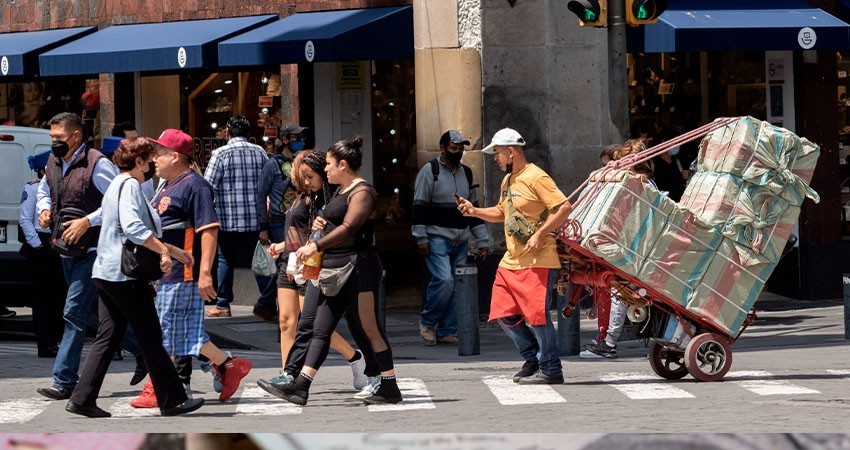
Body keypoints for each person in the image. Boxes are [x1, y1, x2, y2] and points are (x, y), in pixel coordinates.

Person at [66, 137, 204, 418]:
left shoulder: (119, 184)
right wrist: (165, 251)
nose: (154, 161)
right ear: (138, 161)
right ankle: (172, 399)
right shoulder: (129, 185)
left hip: (106, 272)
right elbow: (133, 228)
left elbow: (109, 217)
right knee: (151, 336)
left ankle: (82, 398)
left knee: (108, 336)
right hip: (123, 275)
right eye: (149, 157)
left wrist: (174, 251)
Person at [263, 136, 402, 405]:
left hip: (359, 267)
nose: (325, 170)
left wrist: (314, 246)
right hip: (333, 267)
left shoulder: (363, 192)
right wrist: (319, 227)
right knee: (319, 327)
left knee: (369, 326)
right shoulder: (339, 192)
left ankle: (389, 384)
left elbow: (349, 227)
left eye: (328, 164)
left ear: (343, 164)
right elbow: (332, 222)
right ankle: (301, 385)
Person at [126, 129, 253, 409]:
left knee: (167, 332)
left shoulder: (195, 185)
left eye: (157, 154)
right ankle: (229, 365)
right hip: (165, 273)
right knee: (187, 334)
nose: (153, 159)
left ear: (175, 156)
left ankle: (157, 388)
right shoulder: (166, 185)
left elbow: (209, 230)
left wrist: (205, 272)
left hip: (182, 273)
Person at [35, 112, 141, 400]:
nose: (54, 143)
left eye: (58, 138)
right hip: (66, 249)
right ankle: (142, 348)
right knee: (93, 313)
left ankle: (65, 379)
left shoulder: (98, 164)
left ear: (76, 136)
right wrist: (44, 210)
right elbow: (44, 191)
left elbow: (116, 201)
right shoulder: (53, 161)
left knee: (72, 312)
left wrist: (87, 222)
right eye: (52, 138)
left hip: (93, 250)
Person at [457, 127, 572, 385]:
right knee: (502, 313)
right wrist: (474, 211)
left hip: (537, 258)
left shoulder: (536, 177)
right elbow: (502, 212)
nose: (495, 158)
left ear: (511, 152)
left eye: (497, 153)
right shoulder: (507, 181)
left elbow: (564, 207)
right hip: (512, 259)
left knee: (537, 316)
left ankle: (551, 368)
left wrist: (540, 234)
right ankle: (533, 356)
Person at [257, 149, 369, 394]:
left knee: (313, 325)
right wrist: (282, 246)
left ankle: (353, 356)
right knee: (287, 322)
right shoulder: (300, 196)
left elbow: (319, 238)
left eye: (310, 176)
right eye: (302, 175)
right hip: (290, 262)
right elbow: (299, 235)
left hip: (312, 266)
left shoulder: (329, 201)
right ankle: (286, 375)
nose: (305, 181)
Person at [412, 130, 490, 346]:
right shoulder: (430, 171)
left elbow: (474, 210)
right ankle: (428, 321)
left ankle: (447, 329)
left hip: (461, 239)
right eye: (454, 148)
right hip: (436, 236)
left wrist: (482, 241)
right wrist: (420, 237)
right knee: (444, 280)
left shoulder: (467, 173)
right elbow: (419, 206)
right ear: (443, 149)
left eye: (461, 149)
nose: (458, 152)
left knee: (459, 286)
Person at [204, 116, 269, 317]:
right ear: (248, 134)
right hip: (255, 220)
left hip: (226, 220)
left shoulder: (220, 154)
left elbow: (208, 186)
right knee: (258, 261)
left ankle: (223, 305)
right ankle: (267, 301)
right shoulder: (260, 152)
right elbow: (268, 182)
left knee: (225, 260)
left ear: (227, 132)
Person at [579, 143, 631, 360]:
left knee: (617, 293)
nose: (605, 168)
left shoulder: (630, 184)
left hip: (622, 248)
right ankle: (604, 338)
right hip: (607, 245)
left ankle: (609, 342)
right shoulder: (607, 183)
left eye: (608, 163)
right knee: (606, 293)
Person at [253, 125, 304, 322]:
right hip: (278, 220)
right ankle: (266, 303)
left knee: (290, 261)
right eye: (295, 137)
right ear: (284, 140)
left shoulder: (301, 161)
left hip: (297, 218)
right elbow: (260, 195)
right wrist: (263, 226)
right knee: (287, 261)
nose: (299, 139)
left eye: (302, 136)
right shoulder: (272, 164)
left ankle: (268, 303)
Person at [19, 150, 66, 357]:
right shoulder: (33, 188)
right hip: (41, 243)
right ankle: (45, 343)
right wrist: (38, 246)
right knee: (43, 299)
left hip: (58, 244)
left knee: (60, 296)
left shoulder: (60, 187)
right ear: (42, 170)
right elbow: (25, 220)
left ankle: (56, 339)